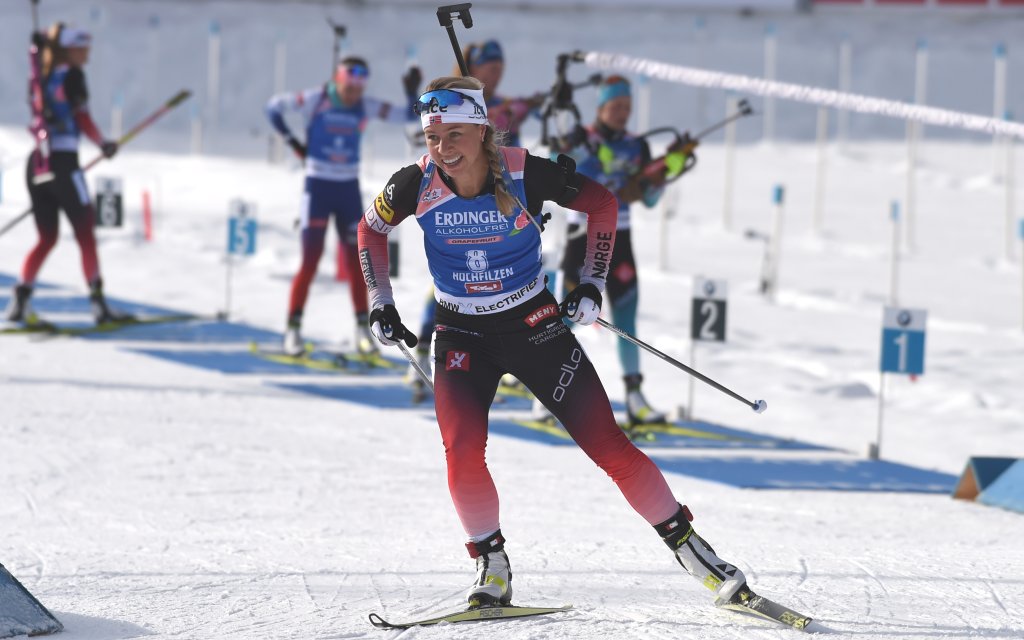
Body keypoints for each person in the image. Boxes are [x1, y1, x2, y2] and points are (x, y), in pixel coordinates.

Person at [357, 76, 751, 610]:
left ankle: (690, 548)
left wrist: (591, 281)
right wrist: (380, 301)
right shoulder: (414, 184)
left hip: (534, 324)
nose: (442, 150)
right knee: (463, 453)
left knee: (607, 444)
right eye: (432, 138)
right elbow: (369, 231)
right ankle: (490, 562)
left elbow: (604, 204)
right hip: (461, 334)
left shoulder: (522, 170)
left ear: (480, 129)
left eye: (453, 135)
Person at [407, 39, 545, 393]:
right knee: (449, 286)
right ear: (475, 68)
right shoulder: (457, 103)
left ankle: (501, 362)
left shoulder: (504, 105)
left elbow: (525, 116)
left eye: (501, 66)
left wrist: (538, 102)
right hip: (457, 204)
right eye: (490, 66)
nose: (497, 72)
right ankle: (425, 350)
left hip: (500, 204)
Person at [265, 56, 421, 355]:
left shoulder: (366, 105)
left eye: (358, 89)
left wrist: (411, 93)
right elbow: (272, 107)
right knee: (310, 260)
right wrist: (294, 143)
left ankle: (362, 329)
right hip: (318, 188)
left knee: (356, 262)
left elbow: (407, 117)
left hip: (348, 189)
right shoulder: (315, 99)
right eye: (348, 87)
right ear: (338, 80)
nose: (353, 95)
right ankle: (293, 329)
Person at [558, 75, 691, 427]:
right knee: (565, 320)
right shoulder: (580, 138)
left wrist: (668, 169)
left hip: (621, 238)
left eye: (627, 108)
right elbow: (573, 182)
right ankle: (546, 395)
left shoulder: (637, 145)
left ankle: (635, 398)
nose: (622, 114)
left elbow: (646, 198)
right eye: (616, 107)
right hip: (583, 235)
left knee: (627, 320)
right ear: (601, 107)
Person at [5, 23, 123, 325]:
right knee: (85, 235)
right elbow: (81, 115)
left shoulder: (40, 77)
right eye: (83, 49)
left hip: (37, 164)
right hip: (63, 162)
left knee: (47, 238)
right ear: (69, 50)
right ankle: (99, 306)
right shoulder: (73, 76)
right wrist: (102, 143)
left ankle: (20, 300)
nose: (87, 56)